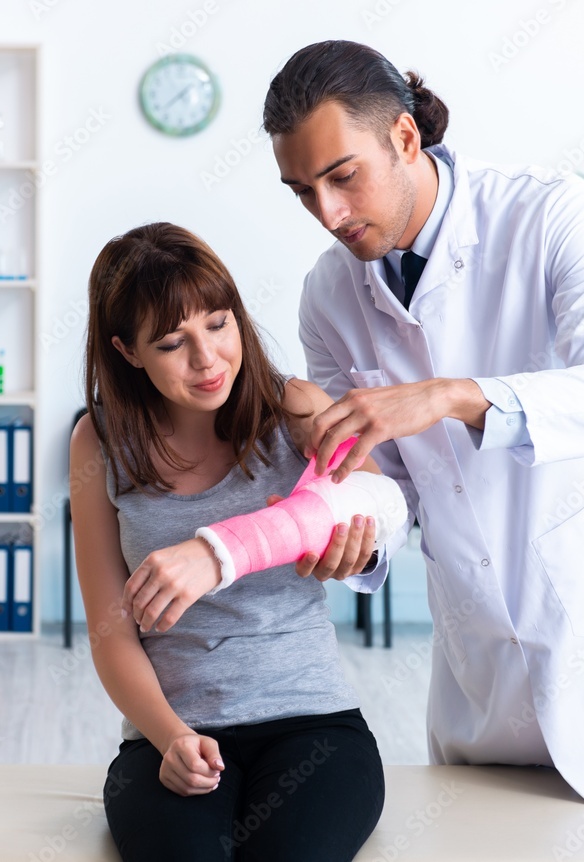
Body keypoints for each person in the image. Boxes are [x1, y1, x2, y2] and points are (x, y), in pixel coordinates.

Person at [262, 40, 584, 862]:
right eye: (301, 191)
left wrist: (455, 395)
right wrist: (345, 524)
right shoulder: (328, 294)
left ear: (406, 139)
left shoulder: (552, 215)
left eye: (342, 176)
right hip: (485, 669)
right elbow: (386, 489)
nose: (329, 213)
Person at [70, 222, 402, 861]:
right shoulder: (100, 442)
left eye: (218, 325)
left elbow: (383, 505)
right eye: (173, 342)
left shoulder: (292, 409)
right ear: (127, 350)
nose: (207, 359)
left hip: (312, 723)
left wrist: (336, 542)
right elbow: (111, 633)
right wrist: (169, 738)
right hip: (170, 732)